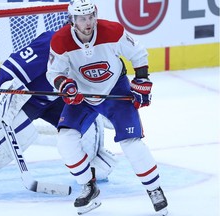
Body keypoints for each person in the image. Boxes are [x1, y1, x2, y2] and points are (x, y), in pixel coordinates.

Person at [0, 31, 117, 199]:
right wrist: (3, 92)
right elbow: (14, 66)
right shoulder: (53, 41)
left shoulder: (95, 50)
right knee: (18, 136)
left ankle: (91, 163)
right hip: (29, 98)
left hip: (58, 99)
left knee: (88, 123)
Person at [46, 0, 168, 215]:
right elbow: (54, 73)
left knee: (131, 143)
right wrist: (65, 85)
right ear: (72, 20)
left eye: (91, 16)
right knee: (65, 139)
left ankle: (154, 189)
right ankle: (88, 186)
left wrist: (142, 79)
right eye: (82, 18)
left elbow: (138, 54)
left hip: (115, 90)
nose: (88, 22)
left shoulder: (113, 30)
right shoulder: (60, 40)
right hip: (83, 96)